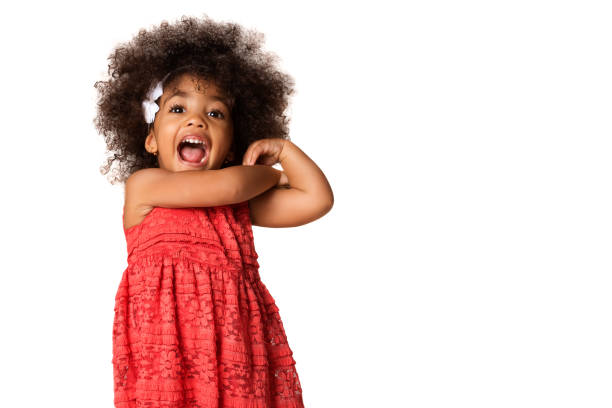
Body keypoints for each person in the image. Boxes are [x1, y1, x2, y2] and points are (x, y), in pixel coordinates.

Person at [93, 14, 334, 408]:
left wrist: (285, 151)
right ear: (151, 140)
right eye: (176, 109)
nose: (196, 119)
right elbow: (234, 183)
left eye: (215, 114)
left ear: (232, 147)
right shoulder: (145, 187)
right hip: (166, 355)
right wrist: (269, 175)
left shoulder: (236, 205)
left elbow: (316, 199)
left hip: (237, 351)